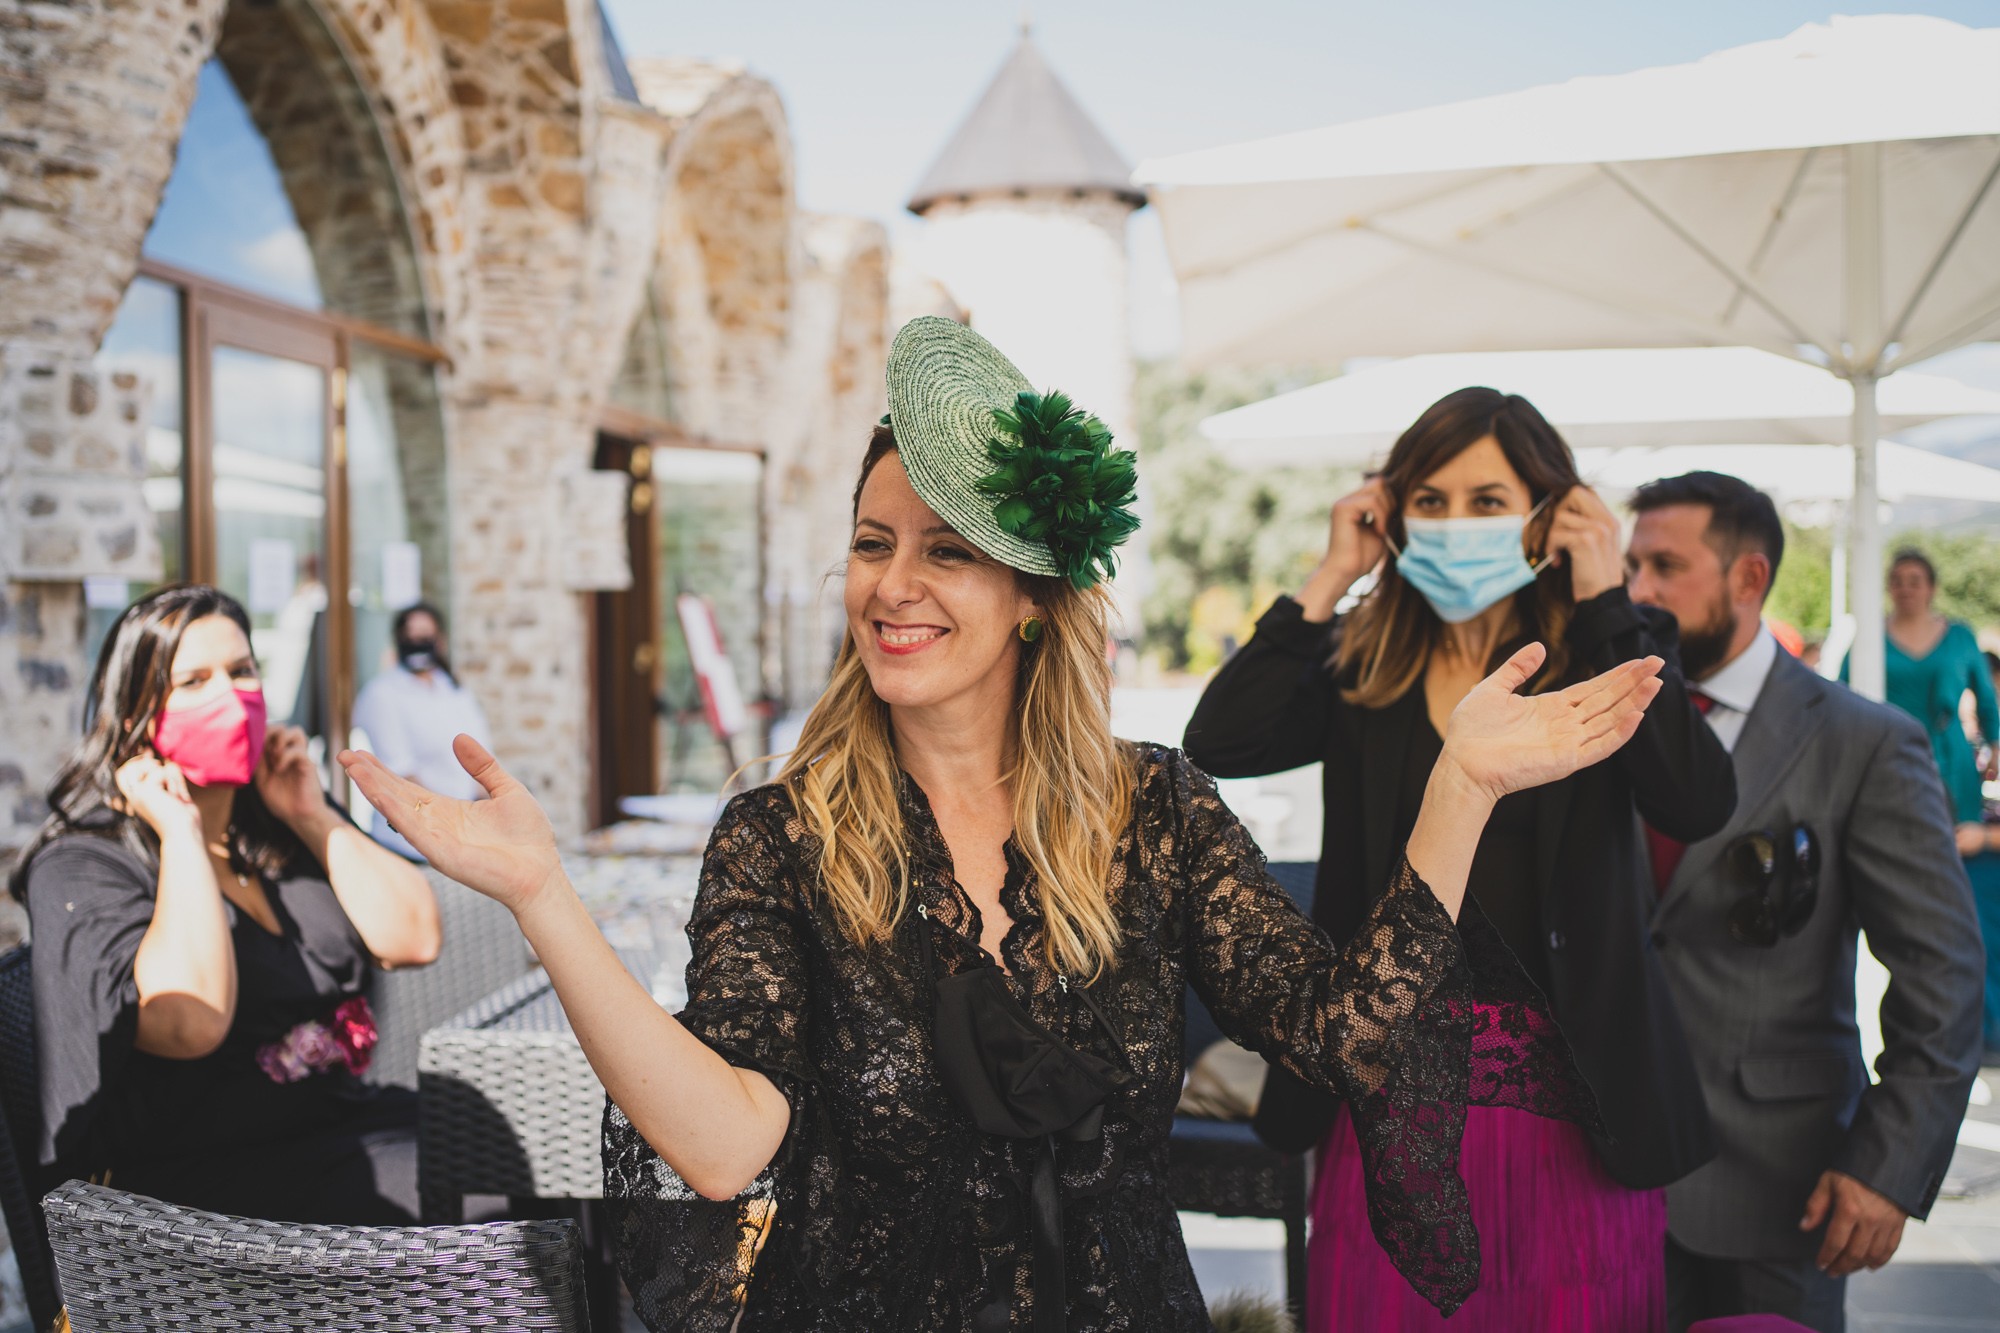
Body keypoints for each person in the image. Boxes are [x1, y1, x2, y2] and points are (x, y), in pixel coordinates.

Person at [340, 319, 1672, 1333]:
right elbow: (725, 1142)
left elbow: (1343, 1036)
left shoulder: (1155, 812)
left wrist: (1458, 789)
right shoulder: (780, 835)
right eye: (873, 542)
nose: (894, 585)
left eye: (948, 550)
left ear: (1034, 595)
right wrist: (545, 898)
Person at [1185, 388, 1731, 1332]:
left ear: (1549, 516)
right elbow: (1220, 740)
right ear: (1395, 514)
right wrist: (1332, 573)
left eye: (1487, 500)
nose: (1455, 522)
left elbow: (1697, 799)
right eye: (1430, 500)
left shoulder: (1603, 653)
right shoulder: (1364, 666)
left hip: (1571, 1101)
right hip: (1391, 1099)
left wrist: (1605, 596)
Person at [1624, 472, 1984, 1332]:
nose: (1638, 590)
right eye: (1631, 566)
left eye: (1665, 566)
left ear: (1749, 577)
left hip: (1783, 1182)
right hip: (1608, 1174)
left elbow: (1942, 972)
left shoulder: (1865, 741)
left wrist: (1888, 1164)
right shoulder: (1607, 720)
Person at [10, 585, 441, 1223]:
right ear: (136, 716)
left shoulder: (273, 821)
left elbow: (415, 938)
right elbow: (190, 1023)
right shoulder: (82, 863)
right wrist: (181, 830)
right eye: (193, 681)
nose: (230, 697)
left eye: (241, 671)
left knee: (517, 1154)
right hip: (189, 1197)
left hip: (331, 1124)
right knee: (480, 1192)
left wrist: (311, 814)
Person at [1840, 549, 1998, 843]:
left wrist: (1996, 745)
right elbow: (1842, 694)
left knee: (1957, 840)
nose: (1906, 589)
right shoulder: (1870, 636)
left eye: (1914, 581)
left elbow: (1986, 699)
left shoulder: (1960, 636)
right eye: (1897, 581)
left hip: (1949, 755)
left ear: (1931, 588)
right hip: (1888, 753)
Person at [350, 601, 491, 861]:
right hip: (411, 844)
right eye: (410, 636)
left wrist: (485, 815)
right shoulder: (382, 694)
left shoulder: (453, 689)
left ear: (440, 641)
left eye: (425, 636)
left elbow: (481, 757)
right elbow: (402, 772)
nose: (418, 643)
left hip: (462, 837)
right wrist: (449, 823)